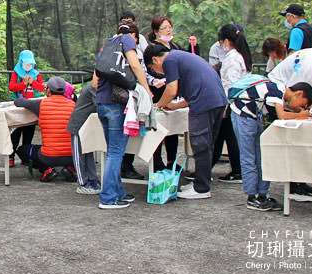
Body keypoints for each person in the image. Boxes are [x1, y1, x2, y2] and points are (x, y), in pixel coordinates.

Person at [147, 43, 228, 200]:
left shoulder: (169, 60)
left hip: (204, 104)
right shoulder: (180, 57)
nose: (157, 72)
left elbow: (171, 90)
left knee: (200, 144)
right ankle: (201, 181)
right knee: (206, 144)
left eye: (152, 69)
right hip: (216, 100)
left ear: (155, 60)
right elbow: (191, 90)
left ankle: (201, 189)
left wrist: (158, 106)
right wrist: (175, 106)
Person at [229, 78, 312, 212]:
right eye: (303, 104)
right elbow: (281, 115)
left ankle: (262, 195)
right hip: (243, 115)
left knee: (262, 156)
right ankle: (252, 197)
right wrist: (301, 115)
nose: (300, 108)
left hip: (253, 117)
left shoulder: (278, 90)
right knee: (249, 157)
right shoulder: (277, 90)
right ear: (299, 94)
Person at [266, 46, 312, 197]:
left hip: (292, 98)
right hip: (279, 97)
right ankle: (294, 185)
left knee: (302, 137)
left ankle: (301, 181)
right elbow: (295, 101)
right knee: (294, 139)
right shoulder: (310, 66)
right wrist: (306, 112)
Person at [93, 23, 152, 209]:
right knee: (116, 153)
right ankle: (108, 197)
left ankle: (118, 192)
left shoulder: (105, 48)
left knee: (112, 151)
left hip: (102, 103)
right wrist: (146, 90)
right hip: (117, 105)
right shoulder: (126, 39)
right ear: (133, 36)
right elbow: (134, 64)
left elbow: (95, 83)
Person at [13, 76, 77, 181]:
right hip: (71, 156)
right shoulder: (73, 105)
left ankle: (47, 170)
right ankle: (70, 168)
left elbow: (19, 102)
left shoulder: (40, 104)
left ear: (48, 91)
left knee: (22, 150)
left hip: (48, 157)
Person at [145, 16, 180, 173]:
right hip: (159, 91)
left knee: (173, 127)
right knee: (158, 127)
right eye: (164, 28)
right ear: (156, 32)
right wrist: (155, 81)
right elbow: (147, 70)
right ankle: (157, 161)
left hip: (175, 91)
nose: (168, 30)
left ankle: (172, 160)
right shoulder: (153, 49)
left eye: (170, 27)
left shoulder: (175, 46)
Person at [214, 24, 248, 184]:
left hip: (230, 103)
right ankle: (211, 167)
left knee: (228, 137)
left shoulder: (233, 59)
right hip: (232, 102)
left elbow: (231, 84)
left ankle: (237, 171)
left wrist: (227, 105)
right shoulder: (238, 56)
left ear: (226, 41)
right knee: (223, 136)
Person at [8, 49, 45, 166]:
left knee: (29, 130)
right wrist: (23, 84)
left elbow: (42, 88)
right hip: (18, 106)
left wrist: (32, 82)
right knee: (16, 131)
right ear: (21, 62)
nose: (28, 66)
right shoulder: (16, 72)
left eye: (31, 63)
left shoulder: (36, 73)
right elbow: (11, 87)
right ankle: (11, 155)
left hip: (32, 106)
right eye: (26, 63)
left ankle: (26, 156)